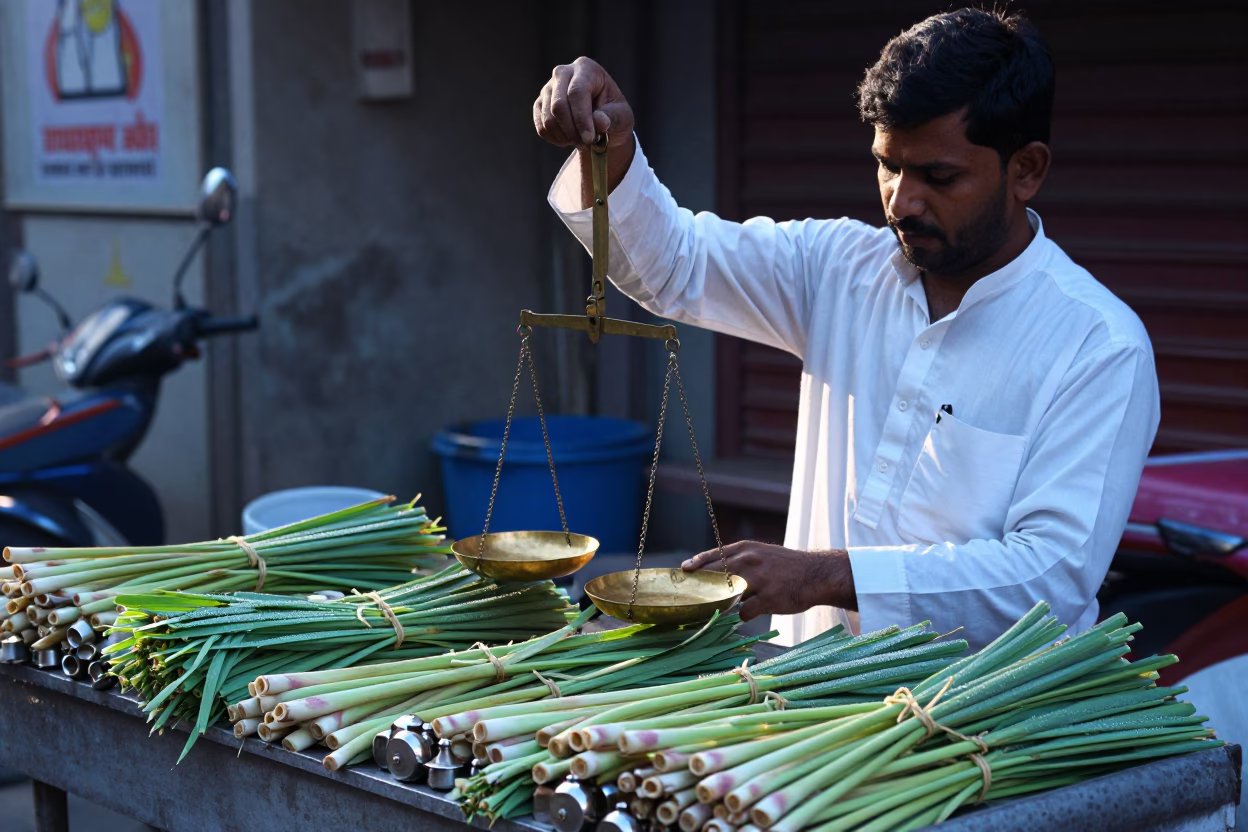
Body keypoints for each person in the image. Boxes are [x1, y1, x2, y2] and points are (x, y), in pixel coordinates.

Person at [533, 8, 1159, 649]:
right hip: (805, 703)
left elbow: (1046, 581)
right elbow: (673, 266)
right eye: (889, 165)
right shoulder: (841, 269)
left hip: (979, 728)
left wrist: (824, 576)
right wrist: (608, 150)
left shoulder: (1097, 346)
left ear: (1026, 168)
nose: (902, 201)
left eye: (939, 177)